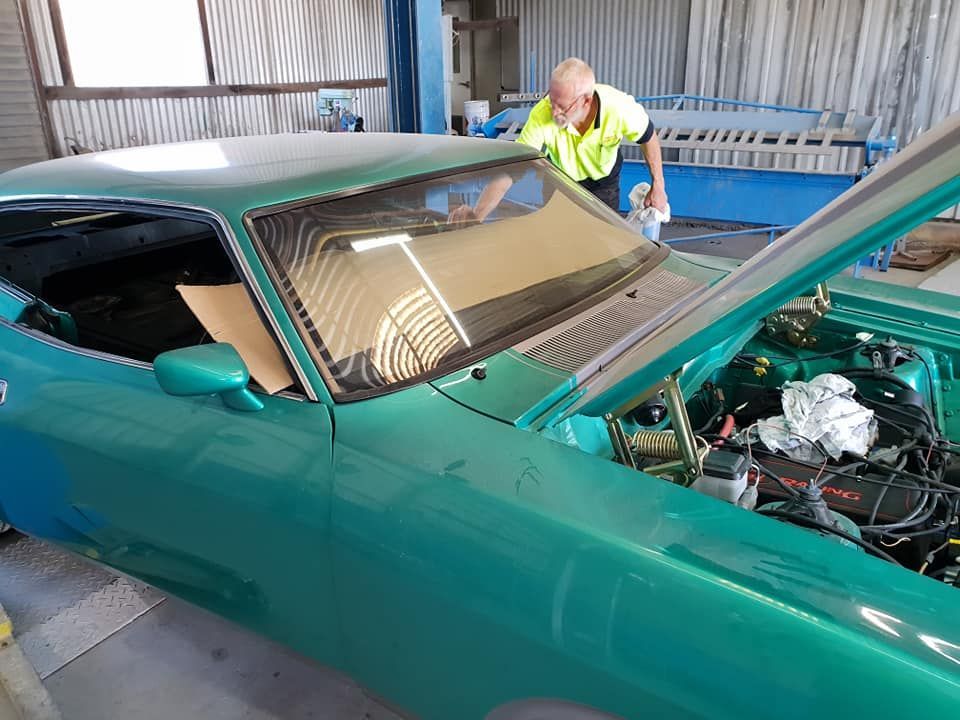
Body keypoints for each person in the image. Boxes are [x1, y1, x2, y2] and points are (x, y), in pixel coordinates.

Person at [449, 57, 667, 223]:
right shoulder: (542, 113)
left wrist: (658, 185)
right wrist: (477, 214)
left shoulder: (619, 108)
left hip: (603, 183)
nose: (554, 112)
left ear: (586, 101)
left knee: (604, 242)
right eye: (552, 101)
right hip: (560, 182)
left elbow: (648, 138)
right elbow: (512, 169)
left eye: (562, 106)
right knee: (560, 241)